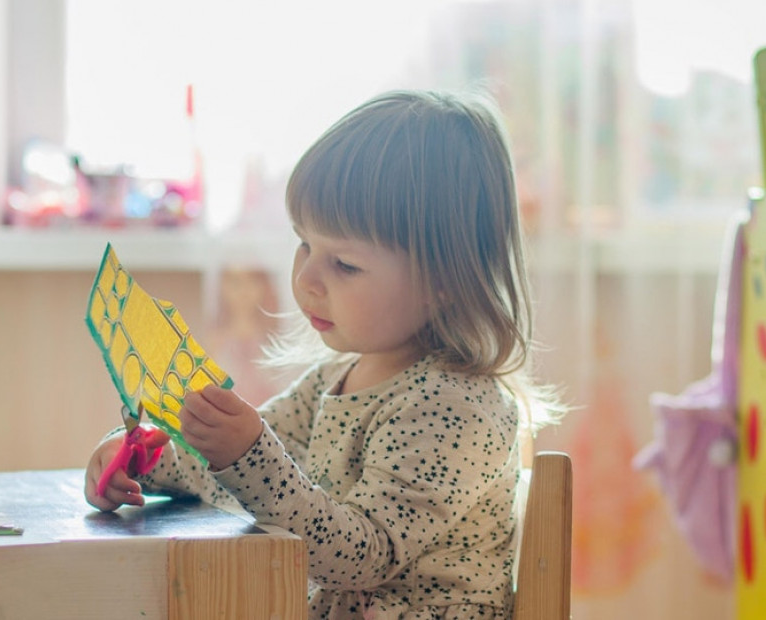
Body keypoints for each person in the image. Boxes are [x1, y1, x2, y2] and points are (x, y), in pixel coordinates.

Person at [84, 89, 560, 619]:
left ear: (444, 279)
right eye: (304, 244)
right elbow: (241, 475)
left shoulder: (458, 407)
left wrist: (246, 453)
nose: (307, 278)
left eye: (345, 265)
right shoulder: (336, 377)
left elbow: (360, 555)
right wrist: (147, 458)